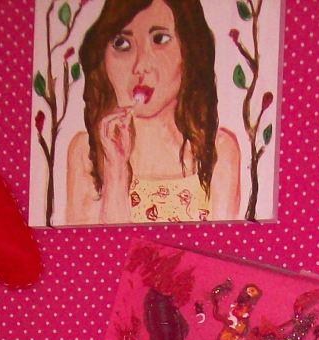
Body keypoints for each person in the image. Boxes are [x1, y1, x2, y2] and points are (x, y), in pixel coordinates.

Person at [66, 0, 240, 225]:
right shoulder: (86, 152)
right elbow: (96, 243)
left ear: (189, 50)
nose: (140, 66)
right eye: (121, 43)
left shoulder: (218, 152)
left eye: (160, 39)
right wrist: (115, 170)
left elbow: (222, 243)